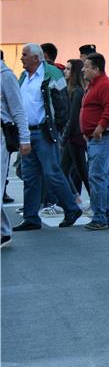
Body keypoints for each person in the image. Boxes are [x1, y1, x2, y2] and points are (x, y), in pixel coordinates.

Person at [14, 44, 82, 231]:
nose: (21, 58)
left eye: (24, 55)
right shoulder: (23, 76)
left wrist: (58, 129)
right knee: (30, 177)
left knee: (52, 173)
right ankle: (31, 217)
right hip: (27, 132)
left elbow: (63, 104)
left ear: (36, 58)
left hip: (44, 131)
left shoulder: (52, 73)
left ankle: (71, 208)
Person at [80, 52, 109, 231]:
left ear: (96, 69)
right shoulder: (93, 84)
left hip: (103, 137)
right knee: (101, 177)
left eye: (87, 67)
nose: (84, 69)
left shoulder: (105, 85)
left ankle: (100, 217)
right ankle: (106, 215)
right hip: (96, 137)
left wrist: (99, 128)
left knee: (96, 177)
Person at [1, 56, 31, 247]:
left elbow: (18, 110)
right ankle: (3, 231)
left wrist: (25, 138)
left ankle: (4, 232)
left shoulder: (5, 76)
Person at [60, 59, 90, 203]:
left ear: (74, 72)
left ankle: (94, 203)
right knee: (63, 170)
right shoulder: (71, 89)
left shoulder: (77, 91)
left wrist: (63, 138)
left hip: (76, 136)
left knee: (82, 172)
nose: (65, 71)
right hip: (72, 136)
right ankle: (73, 201)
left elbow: (72, 119)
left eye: (68, 69)